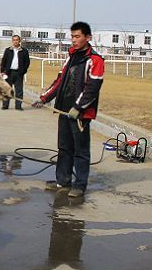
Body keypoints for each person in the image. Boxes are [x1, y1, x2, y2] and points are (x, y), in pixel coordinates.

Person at [32, 22, 104, 199]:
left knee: (81, 150)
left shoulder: (95, 60)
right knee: (64, 147)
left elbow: (92, 88)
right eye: (72, 36)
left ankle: (80, 185)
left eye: (77, 36)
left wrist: (78, 108)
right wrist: (44, 98)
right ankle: (62, 181)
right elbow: (59, 81)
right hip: (64, 110)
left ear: (88, 38)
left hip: (80, 114)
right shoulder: (70, 57)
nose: (74, 40)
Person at [0, 35, 30, 110]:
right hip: (8, 73)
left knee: (19, 91)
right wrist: (2, 72)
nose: (15, 41)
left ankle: (18, 106)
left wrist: (23, 71)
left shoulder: (24, 51)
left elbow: (27, 62)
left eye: (17, 40)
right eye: (14, 40)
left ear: (19, 41)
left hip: (19, 73)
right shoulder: (8, 50)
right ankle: (5, 105)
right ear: (12, 41)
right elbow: (3, 61)